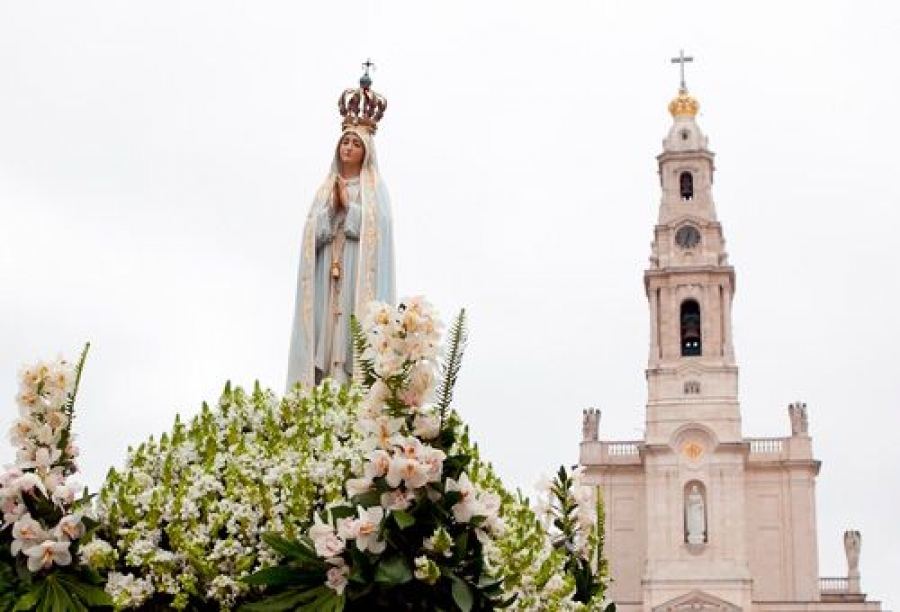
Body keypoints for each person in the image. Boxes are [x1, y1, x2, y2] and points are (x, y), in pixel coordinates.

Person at [286, 71, 395, 390]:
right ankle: (320, 384)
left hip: (355, 270)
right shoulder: (324, 189)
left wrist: (350, 208)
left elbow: (380, 232)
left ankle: (348, 384)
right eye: (344, 142)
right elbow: (311, 235)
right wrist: (332, 209)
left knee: (349, 328)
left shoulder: (375, 190)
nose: (348, 148)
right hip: (326, 275)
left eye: (355, 144)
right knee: (326, 326)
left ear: (366, 152)